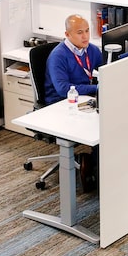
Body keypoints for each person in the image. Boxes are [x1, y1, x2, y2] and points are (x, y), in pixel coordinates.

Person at [45, 14, 103, 192]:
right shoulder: (58, 56)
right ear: (67, 34)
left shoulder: (92, 51)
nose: (85, 36)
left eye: (87, 31)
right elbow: (63, 89)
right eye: (79, 32)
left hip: (84, 98)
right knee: (99, 126)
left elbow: (104, 72)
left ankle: (95, 164)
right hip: (60, 103)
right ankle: (91, 165)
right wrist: (95, 89)